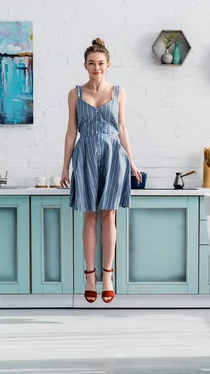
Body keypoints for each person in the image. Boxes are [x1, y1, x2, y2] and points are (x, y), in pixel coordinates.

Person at [60, 38, 141, 303]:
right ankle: (89, 275)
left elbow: (123, 129)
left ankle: (108, 274)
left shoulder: (118, 91)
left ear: (108, 65)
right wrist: (64, 167)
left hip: (113, 156)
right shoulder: (75, 93)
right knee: (89, 217)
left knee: (109, 215)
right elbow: (71, 131)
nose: (97, 67)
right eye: (92, 63)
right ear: (85, 65)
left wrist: (132, 160)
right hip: (83, 157)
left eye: (101, 63)